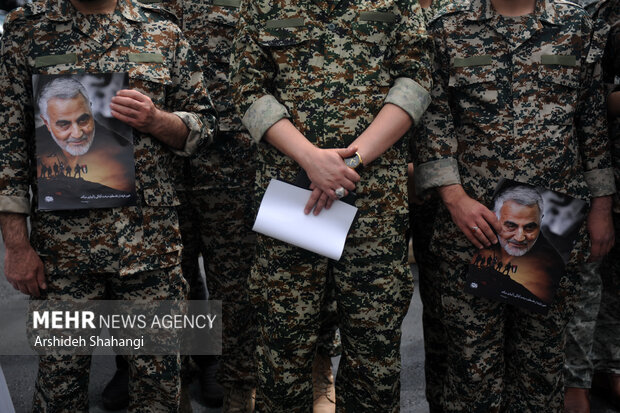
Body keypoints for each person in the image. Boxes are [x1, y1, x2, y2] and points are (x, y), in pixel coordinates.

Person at [0, 0, 217, 410]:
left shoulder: (162, 30)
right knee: (59, 388)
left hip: (150, 250)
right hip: (61, 256)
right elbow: (7, 147)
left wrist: (158, 120)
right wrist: (16, 246)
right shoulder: (27, 29)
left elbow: (204, 127)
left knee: (158, 389)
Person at [231, 1, 432, 411]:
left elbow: (415, 80)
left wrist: (350, 162)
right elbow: (246, 89)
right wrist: (311, 159)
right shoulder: (262, 5)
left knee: (373, 348)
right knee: (283, 343)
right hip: (293, 196)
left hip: (372, 202)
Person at [415, 0, 615, 410]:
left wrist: (601, 207)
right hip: (474, 227)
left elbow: (592, 123)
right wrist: (453, 197)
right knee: (472, 369)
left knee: (541, 367)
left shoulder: (576, 24)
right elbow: (434, 121)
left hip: (550, 232)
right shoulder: (447, 26)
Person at [564, 0, 620, 411]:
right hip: (586, 174)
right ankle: (581, 382)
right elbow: (591, 106)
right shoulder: (593, 17)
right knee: (586, 283)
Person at [35, 77, 136, 205]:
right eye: (64, 124)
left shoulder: (123, 155)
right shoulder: (34, 146)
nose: (77, 134)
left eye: (83, 120)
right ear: (46, 123)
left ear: (91, 110)